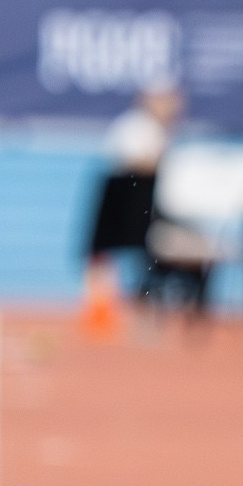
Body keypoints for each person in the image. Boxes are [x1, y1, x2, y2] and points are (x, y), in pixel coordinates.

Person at [81, 81, 183, 334]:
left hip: (145, 205)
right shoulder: (135, 126)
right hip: (126, 202)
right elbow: (135, 163)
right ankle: (101, 311)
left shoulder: (160, 131)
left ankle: (145, 307)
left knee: (152, 256)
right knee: (105, 252)